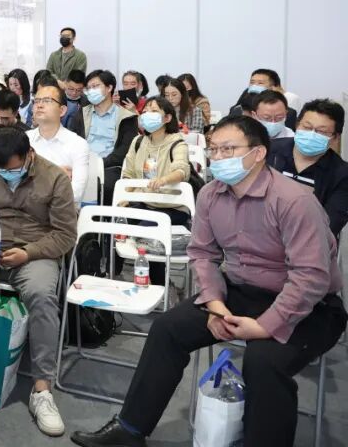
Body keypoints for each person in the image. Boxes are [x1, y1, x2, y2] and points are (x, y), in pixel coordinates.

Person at [72, 116, 346, 447]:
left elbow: (311, 277)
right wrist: (215, 306)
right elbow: (203, 255)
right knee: (167, 328)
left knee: (263, 361)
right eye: (214, 149)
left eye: (228, 149)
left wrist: (264, 327)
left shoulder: (294, 201)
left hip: (311, 307)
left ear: (258, 153)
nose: (218, 157)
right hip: (241, 292)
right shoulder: (211, 195)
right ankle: (130, 430)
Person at [0, 127, 76, 437]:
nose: (7, 174)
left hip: (34, 252)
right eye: (1, 170)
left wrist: (28, 253)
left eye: (13, 169)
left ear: (29, 155)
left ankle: (42, 388)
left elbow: (66, 234)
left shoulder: (53, 178)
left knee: (42, 296)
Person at [120, 97, 194, 285]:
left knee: (148, 232)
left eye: (153, 111)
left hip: (171, 207)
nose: (147, 115)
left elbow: (182, 170)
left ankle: (160, 285)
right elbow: (129, 173)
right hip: (145, 203)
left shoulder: (177, 143)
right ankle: (118, 277)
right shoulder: (138, 141)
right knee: (118, 223)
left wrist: (164, 180)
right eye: (145, 111)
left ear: (167, 118)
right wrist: (125, 196)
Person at [266, 99, 348, 240]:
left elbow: (328, 226)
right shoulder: (268, 150)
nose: (312, 134)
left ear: (335, 138)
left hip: (307, 245)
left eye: (321, 131)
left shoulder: (342, 175)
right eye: (307, 127)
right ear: (297, 125)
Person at [69, 69, 139, 201]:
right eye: (88, 88)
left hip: (110, 166)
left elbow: (124, 151)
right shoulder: (82, 114)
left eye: (95, 86)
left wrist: (98, 164)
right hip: (82, 164)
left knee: (102, 185)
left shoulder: (126, 117)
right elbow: (72, 141)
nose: (91, 91)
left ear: (109, 88)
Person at [27, 81, 90, 205]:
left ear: (62, 110)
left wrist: (34, 182)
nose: (39, 105)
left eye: (47, 101)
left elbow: (76, 194)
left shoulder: (78, 144)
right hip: (26, 210)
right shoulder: (24, 140)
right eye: (36, 101)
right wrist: (55, 176)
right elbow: (13, 186)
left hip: (61, 211)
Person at [230, 68, 298, 129]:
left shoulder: (289, 112)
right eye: (252, 82)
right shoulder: (238, 108)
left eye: (260, 83)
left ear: (273, 87)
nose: (255, 85)